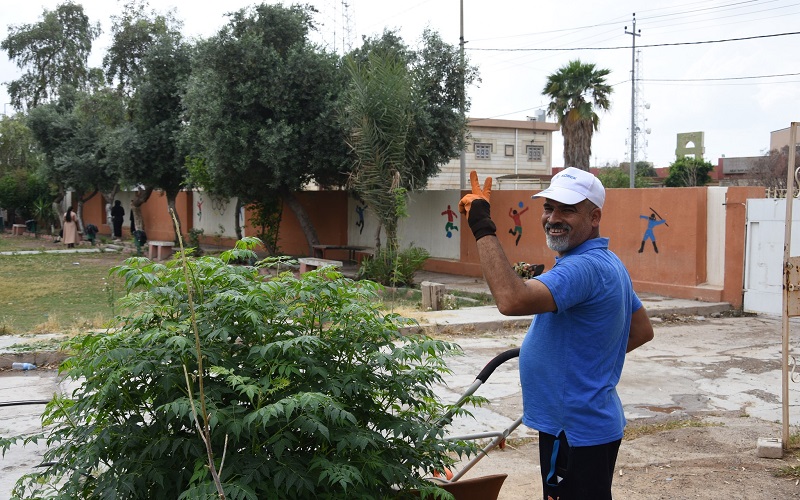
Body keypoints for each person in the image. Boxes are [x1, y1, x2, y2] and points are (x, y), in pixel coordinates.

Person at [458, 168, 654, 500]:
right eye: (548, 208)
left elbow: (512, 299)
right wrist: (582, 360)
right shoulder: (608, 262)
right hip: (587, 425)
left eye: (567, 209)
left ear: (594, 217)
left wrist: (481, 224)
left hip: (572, 430)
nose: (553, 218)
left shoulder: (582, 268)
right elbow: (641, 330)